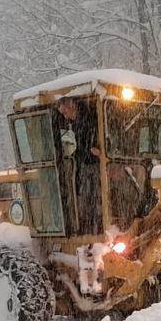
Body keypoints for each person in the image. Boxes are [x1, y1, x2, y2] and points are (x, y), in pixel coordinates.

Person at [55, 96, 102, 234]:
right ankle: (87, 226)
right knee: (85, 197)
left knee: (90, 197)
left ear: (71, 105)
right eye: (62, 114)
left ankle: (90, 227)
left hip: (91, 164)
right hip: (85, 164)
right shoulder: (75, 124)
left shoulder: (88, 119)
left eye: (65, 112)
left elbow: (92, 140)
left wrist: (94, 150)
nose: (66, 117)